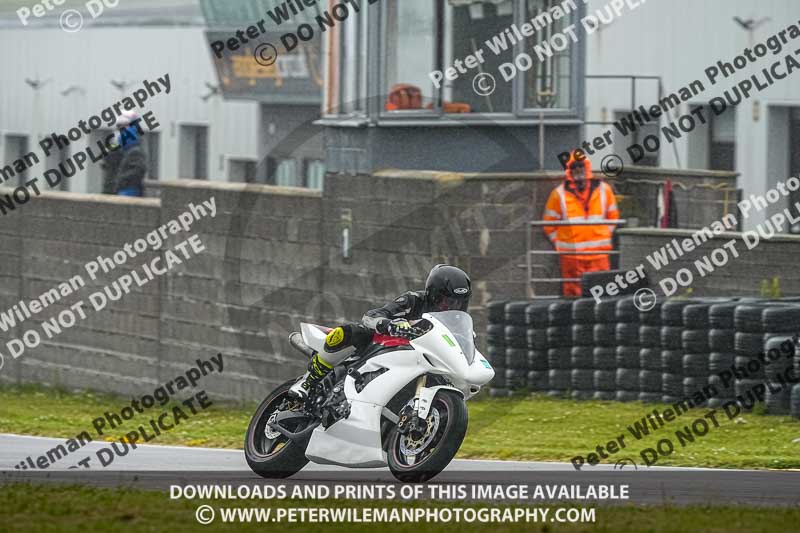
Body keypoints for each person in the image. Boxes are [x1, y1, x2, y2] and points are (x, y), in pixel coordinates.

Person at [288, 264, 472, 399]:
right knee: (349, 332)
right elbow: (372, 316)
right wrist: (388, 324)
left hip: (416, 359)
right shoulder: (413, 300)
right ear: (433, 294)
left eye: (458, 303)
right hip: (384, 346)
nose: (451, 306)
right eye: (447, 301)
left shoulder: (455, 322)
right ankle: (308, 381)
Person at [542, 151, 619, 296]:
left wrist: (602, 236)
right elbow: (548, 224)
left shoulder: (604, 190)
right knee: (573, 294)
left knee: (601, 292)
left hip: (599, 256)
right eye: (574, 167)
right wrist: (561, 243)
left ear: (587, 167)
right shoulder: (559, 194)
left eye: (580, 166)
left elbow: (613, 217)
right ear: (569, 171)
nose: (578, 170)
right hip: (571, 257)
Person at [113, 111, 147, 197]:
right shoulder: (126, 150)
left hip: (129, 192)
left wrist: (121, 181)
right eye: (119, 127)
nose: (120, 131)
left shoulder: (134, 151)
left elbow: (137, 171)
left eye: (123, 127)